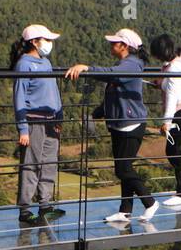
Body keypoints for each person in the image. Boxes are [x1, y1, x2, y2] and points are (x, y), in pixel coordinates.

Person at [64, 28, 159, 224]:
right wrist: (96, 114)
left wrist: (87, 69)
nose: (110, 45)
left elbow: (112, 75)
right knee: (124, 167)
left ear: (124, 46)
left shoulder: (132, 64)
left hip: (131, 124)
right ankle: (125, 211)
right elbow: (113, 96)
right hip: (120, 123)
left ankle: (150, 202)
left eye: (114, 42)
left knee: (123, 169)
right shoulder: (125, 63)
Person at [10, 24, 66, 226]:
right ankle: (25, 210)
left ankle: (45, 205)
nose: (49, 43)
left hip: (51, 121)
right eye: (46, 39)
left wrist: (59, 116)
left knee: (49, 164)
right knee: (31, 165)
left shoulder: (46, 62)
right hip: (34, 121)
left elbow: (54, 92)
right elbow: (19, 97)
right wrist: (23, 128)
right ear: (34, 41)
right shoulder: (24, 65)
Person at [150, 33, 181, 207]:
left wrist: (167, 122)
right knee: (175, 152)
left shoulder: (173, 68)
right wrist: (160, 83)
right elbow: (173, 86)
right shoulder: (178, 62)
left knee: (178, 152)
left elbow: (173, 96)